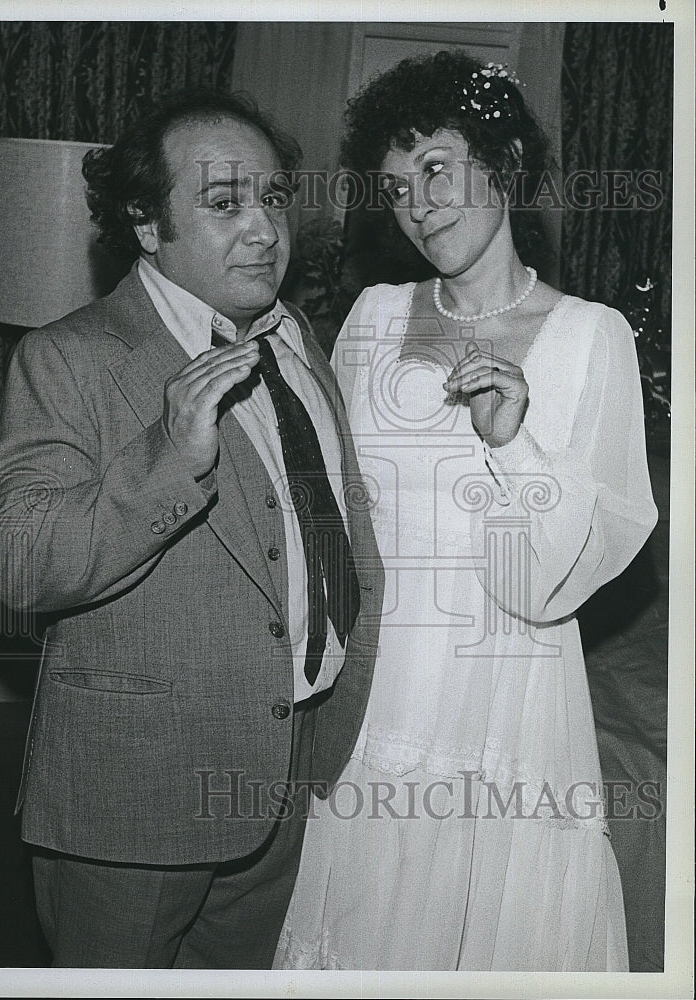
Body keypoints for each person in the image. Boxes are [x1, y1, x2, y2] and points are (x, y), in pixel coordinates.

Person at [0, 88, 384, 969]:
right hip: (133, 804)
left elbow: (333, 538)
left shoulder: (296, 341)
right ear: (147, 225)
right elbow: (18, 563)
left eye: (274, 198)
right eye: (224, 202)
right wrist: (170, 452)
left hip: (285, 780)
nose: (265, 229)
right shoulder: (71, 356)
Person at [275, 51, 658, 971]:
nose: (419, 203)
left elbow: (545, 586)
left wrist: (510, 441)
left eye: (438, 168)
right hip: (376, 679)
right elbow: (332, 513)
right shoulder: (371, 315)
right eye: (397, 187)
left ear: (507, 165)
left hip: (502, 689)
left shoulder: (591, 337)